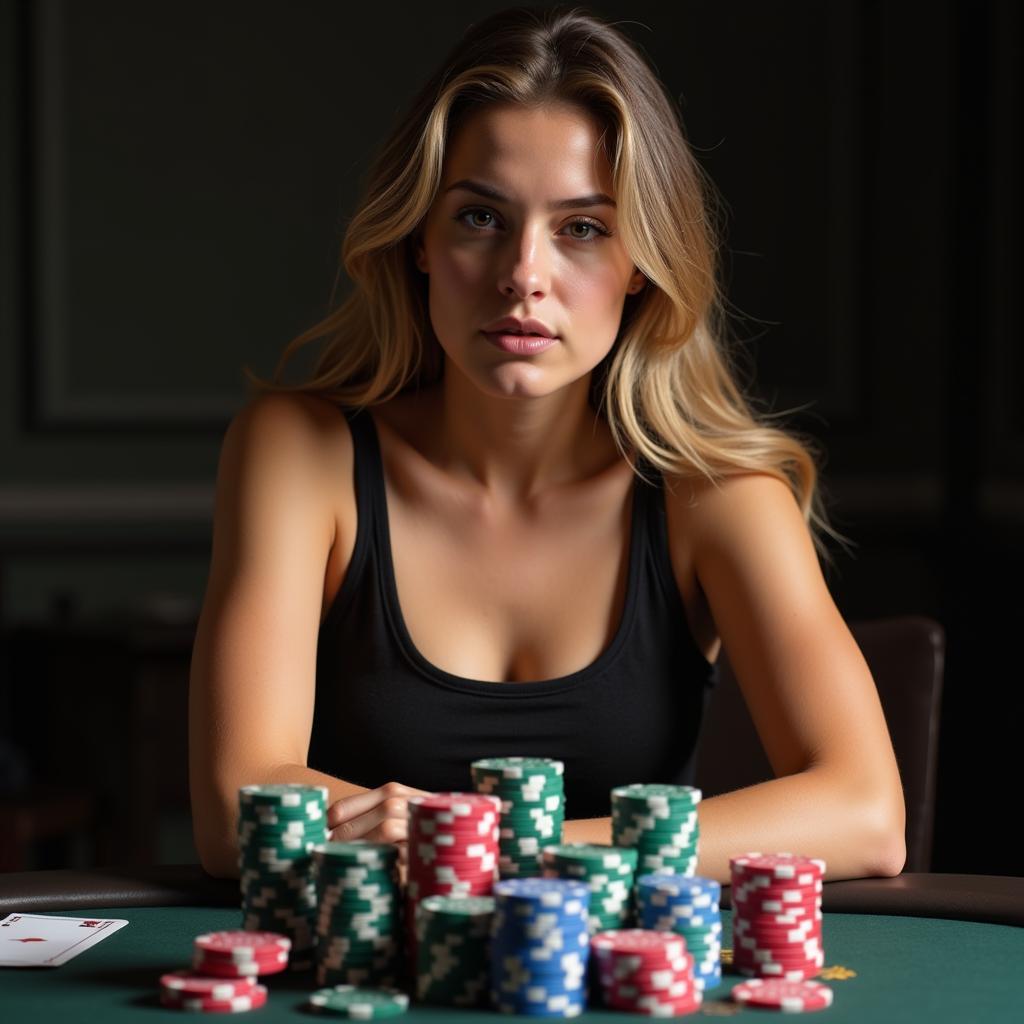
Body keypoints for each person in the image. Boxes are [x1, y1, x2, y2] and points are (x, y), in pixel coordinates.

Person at [188, 5, 906, 884]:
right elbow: (233, 810)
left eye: (583, 227)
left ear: (642, 260)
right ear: (419, 237)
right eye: (481, 218)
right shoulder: (299, 452)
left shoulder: (717, 493)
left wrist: (502, 854)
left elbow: (867, 814)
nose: (524, 274)